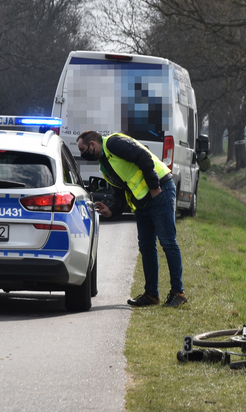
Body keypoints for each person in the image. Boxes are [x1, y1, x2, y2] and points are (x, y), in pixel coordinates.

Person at [76, 130, 188, 308]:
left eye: (82, 149)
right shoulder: (104, 165)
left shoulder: (113, 143)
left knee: (167, 242)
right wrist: (111, 211)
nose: (81, 154)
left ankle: (178, 293)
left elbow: (143, 156)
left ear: (92, 145)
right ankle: (152, 295)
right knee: (146, 247)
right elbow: (120, 195)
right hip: (142, 202)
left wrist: (154, 186)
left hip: (160, 190)